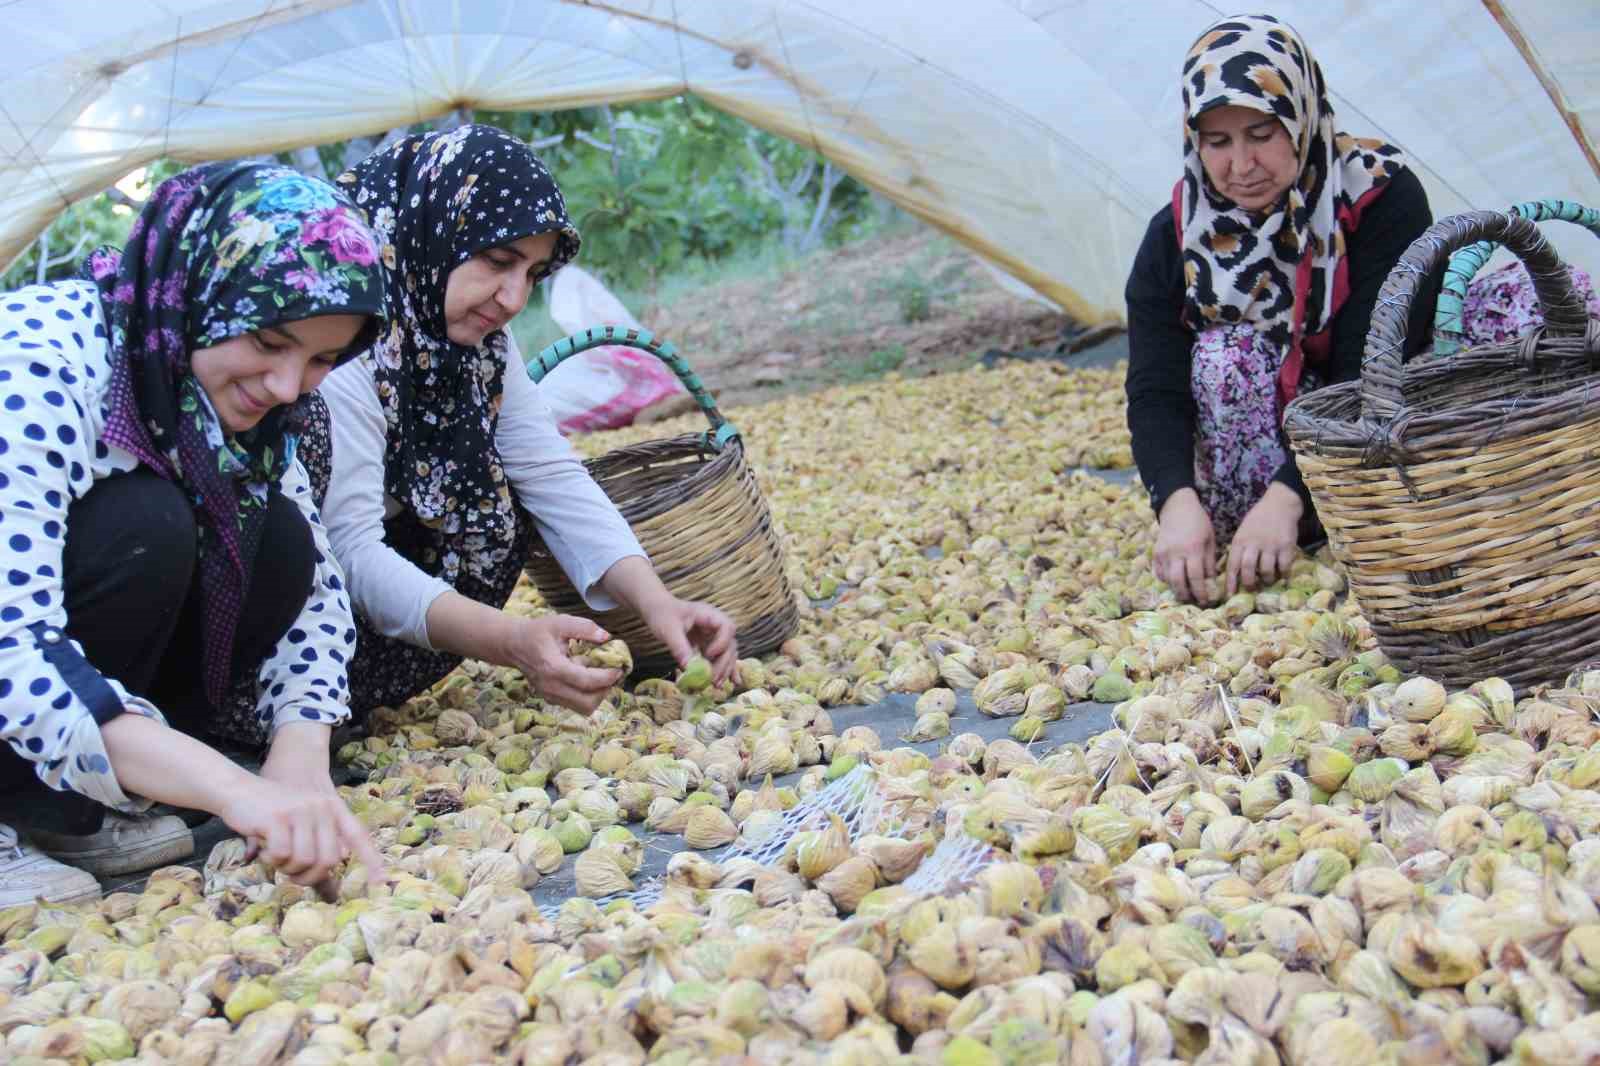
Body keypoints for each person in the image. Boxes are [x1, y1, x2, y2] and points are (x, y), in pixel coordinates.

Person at [0, 162, 388, 906]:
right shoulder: (42, 365)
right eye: (270, 341)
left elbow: (316, 588)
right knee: (145, 523)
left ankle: (74, 805)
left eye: (320, 359)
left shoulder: (249, 407)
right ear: (203, 296)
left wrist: (298, 756)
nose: (286, 385)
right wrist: (230, 790)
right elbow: (12, 645)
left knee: (273, 541)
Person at [295, 124, 737, 729]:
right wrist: (511, 642)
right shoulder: (346, 339)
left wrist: (658, 604)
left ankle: (366, 697)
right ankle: (294, 720)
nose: (511, 297)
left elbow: (551, 472)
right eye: (499, 261)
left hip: (383, 611)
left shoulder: (482, 350)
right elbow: (349, 549)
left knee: (508, 503)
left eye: (531, 275)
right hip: (295, 625)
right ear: (430, 231)